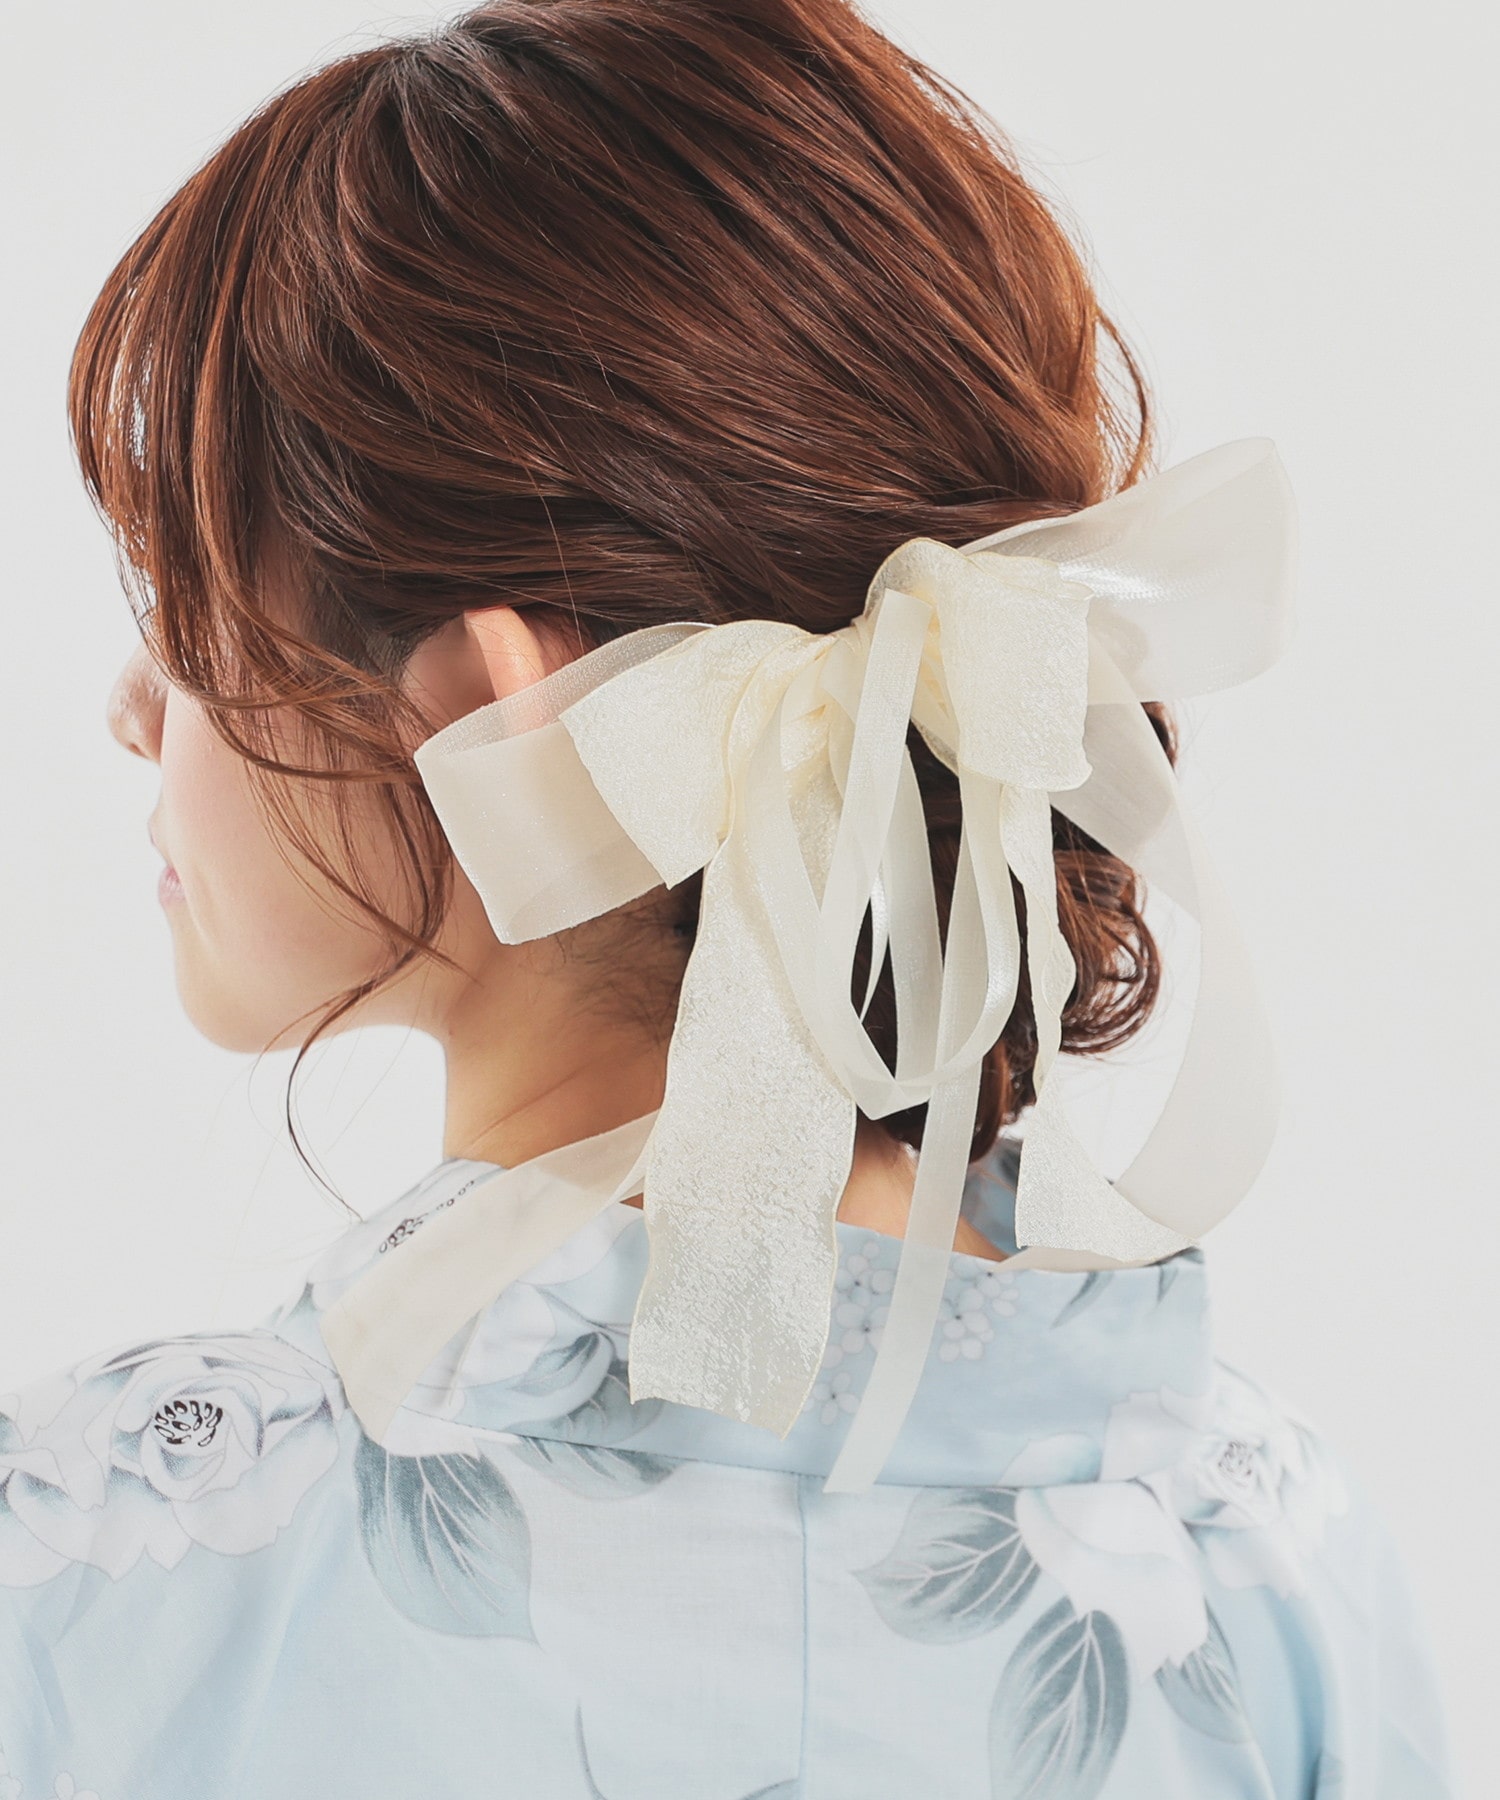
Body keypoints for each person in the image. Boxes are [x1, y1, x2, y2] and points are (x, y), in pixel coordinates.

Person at [0, 1, 1454, 1794]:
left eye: (191, 593)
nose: (134, 704)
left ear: (491, 715)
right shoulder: (1282, 1571)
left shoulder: (90, 1581)